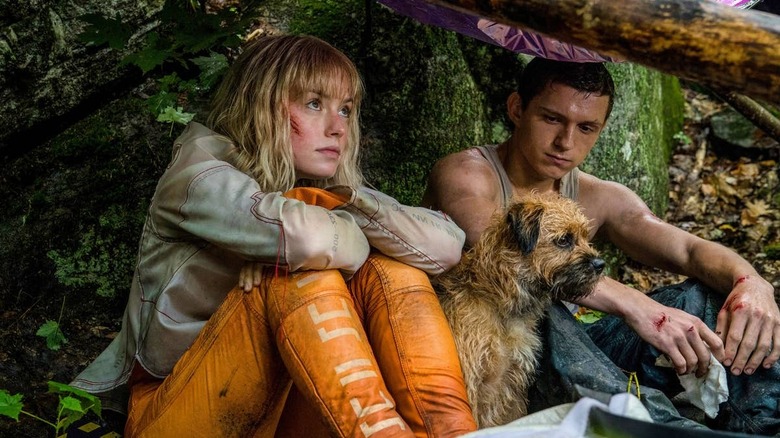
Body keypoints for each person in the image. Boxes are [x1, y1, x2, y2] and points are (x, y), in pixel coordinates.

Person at [70, 34, 477, 437]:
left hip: (292, 411)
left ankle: (452, 432)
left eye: (347, 110)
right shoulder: (199, 176)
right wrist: (318, 237)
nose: (338, 128)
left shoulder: (328, 186)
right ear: (262, 103)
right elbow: (307, 241)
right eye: (314, 104)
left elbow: (447, 247)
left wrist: (346, 209)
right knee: (297, 274)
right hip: (177, 408)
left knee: (394, 270)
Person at [422, 57, 780, 435]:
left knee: (709, 299)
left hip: (580, 355)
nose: (566, 142)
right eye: (552, 119)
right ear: (516, 108)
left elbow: (690, 251)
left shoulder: (596, 196)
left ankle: (763, 424)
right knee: (544, 300)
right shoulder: (467, 174)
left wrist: (752, 283)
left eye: (586, 127)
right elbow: (499, 252)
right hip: (502, 358)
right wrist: (639, 307)